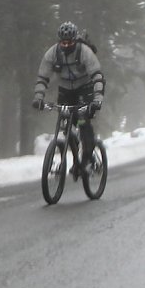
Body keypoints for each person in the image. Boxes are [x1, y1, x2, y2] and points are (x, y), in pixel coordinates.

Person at [32, 21, 105, 180]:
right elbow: (43, 77)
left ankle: (87, 158)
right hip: (65, 90)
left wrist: (97, 99)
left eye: (69, 42)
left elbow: (97, 75)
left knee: (82, 120)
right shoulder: (52, 53)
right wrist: (38, 97)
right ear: (59, 41)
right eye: (63, 42)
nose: (66, 45)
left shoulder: (84, 51)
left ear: (75, 40)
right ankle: (73, 155)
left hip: (84, 88)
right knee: (65, 122)